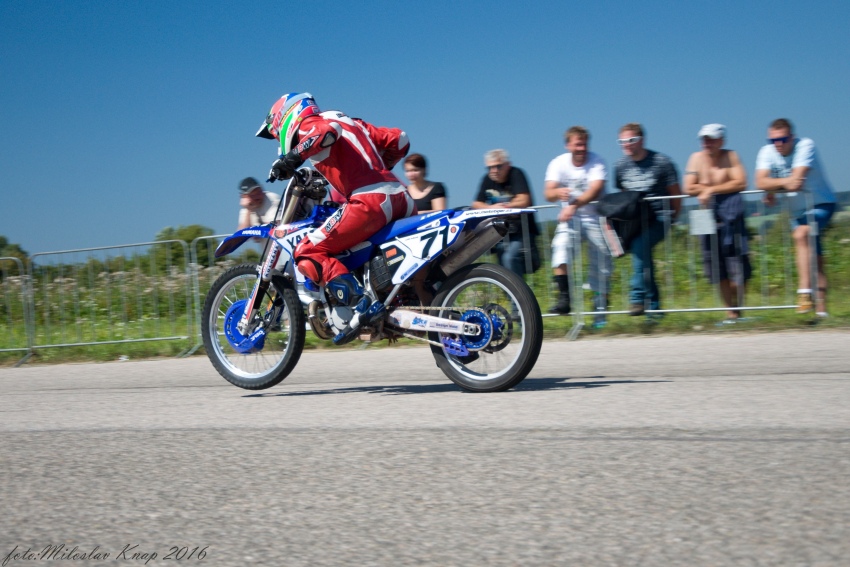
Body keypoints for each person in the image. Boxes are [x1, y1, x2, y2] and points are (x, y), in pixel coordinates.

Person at [256, 92, 414, 343]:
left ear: (285, 118)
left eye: (275, 133)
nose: (278, 139)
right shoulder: (353, 123)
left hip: (370, 200)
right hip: (402, 196)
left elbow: (325, 133)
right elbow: (400, 139)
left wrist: (289, 160)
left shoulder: (310, 124)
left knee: (306, 251)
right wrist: (381, 166)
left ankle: (360, 305)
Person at [755, 118, 838, 316]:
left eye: (783, 139)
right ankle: (821, 311)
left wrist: (773, 186)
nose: (778, 144)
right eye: (773, 140)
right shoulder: (766, 152)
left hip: (820, 204)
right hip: (797, 212)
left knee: (801, 234)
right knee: (815, 258)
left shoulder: (806, 145)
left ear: (792, 137)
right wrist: (778, 185)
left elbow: (796, 183)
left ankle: (804, 293)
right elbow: (760, 182)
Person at [543, 126, 610, 327]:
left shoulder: (597, 162)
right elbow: (548, 193)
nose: (582, 148)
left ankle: (600, 314)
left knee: (602, 263)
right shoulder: (558, 163)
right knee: (560, 248)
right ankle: (564, 298)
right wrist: (558, 193)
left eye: (584, 144)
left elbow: (595, 190)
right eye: (578, 144)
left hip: (595, 217)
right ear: (568, 145)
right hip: (570, 219)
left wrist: (573, 205)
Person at [684, 124, 751, 323]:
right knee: (714, 264)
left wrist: (710, 189)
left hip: (731, 213)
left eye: (711, 139)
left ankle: (738, 308)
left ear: (721, 140)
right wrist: (708, 189)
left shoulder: (731, 156)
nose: (707, 143)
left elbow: (741, 182)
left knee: (739, 263)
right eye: (704, 139)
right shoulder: (695, 158)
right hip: (704, 215)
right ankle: (730, 312)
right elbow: (688, 188)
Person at [614, 123, 682, 318]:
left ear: (642, 140)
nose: (627, 144)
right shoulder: (619, 166)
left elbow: (675, 194)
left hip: (660, 216)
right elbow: (624, 195)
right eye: (622, 141)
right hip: (636, 219)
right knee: (642, 257)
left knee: (639, 247)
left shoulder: (662, 162)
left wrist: (673, 218)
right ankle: (655, 310)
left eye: (631, 140)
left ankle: (637, 297)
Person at [472, 149, 540, 276]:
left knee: (509, 258)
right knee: (502, 266)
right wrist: (491, 208)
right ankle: (511, 288)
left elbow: (524, 199)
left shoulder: (516, 174)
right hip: (501, 232)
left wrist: (504, 207)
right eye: (490, 168)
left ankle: (517, 289)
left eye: (498, 166)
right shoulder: (487, 179)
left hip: (522, 230)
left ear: (507, 165)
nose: (494, 171)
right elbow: (476, 204)